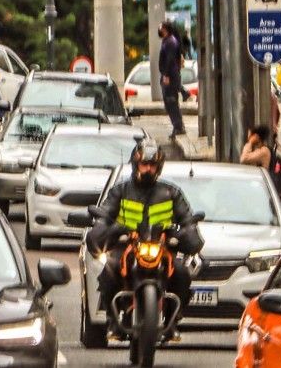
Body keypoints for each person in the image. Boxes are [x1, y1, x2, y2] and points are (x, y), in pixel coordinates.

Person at [87, 139, 203, 340]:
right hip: (127, 248)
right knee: (108, 272)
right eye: (144, 164)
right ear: (135, 164)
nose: (148, 169)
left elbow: (187, 221)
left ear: (158, 168)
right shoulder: (120, 191)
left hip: (162, 249)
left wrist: (185, 234)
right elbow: (104, 217)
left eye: (152, 165)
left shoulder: (172, 193)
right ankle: (113, 322)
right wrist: (110, 229)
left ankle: (172, 321)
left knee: (183, 273)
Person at [158, 21, 187, 139]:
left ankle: (178, 126)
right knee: (170, 103)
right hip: (170, 76)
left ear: (165, 29)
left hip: (170, 76)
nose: (159, 29)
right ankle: (177, 126)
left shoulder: (170, 42)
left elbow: (170, 60)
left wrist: (166, 75)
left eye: (161, 27)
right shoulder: (167, 41)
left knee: (171, 102)